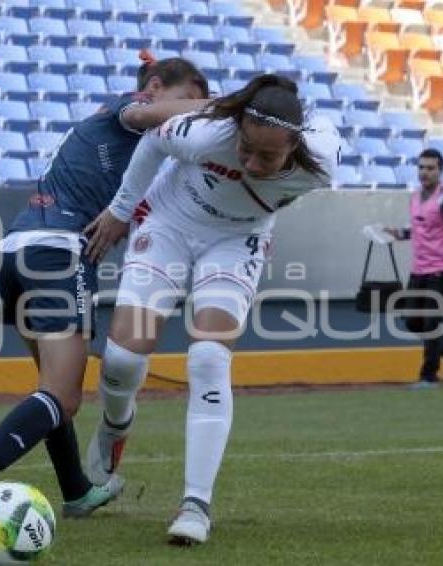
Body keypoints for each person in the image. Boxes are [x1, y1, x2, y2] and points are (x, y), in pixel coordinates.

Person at [0, 55, 210, 548]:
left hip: (19, 252)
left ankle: (76, 491)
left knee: (52, 392)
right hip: (57, 254)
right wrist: (231, 108)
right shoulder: (130, 108)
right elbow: (148, 115)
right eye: (185, 101)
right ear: (154, 87)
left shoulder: (129, 147)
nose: (189, 115)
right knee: (64, 395)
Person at [83, 74, 338, 544]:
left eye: (268, 156)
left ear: (294, 147)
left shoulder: (321, 160)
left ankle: (195, 505)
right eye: (246, 147)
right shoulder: (208, 131)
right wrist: (122, 209)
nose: (251, 162)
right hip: (168, 225)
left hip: (236, 242)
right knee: (121, 360)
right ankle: (116, 425)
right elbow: (154, 142)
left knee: (207, 358)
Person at [384, 149, 443, 388]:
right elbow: (421, 228)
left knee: (432, 323)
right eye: (421, 167)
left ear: (440, 171)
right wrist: (399, 233)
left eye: (430, 168)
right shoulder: (415, 197)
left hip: (442, 271)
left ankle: (427, 377)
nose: (425, 172)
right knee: (412, 321)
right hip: (419, 270)